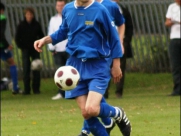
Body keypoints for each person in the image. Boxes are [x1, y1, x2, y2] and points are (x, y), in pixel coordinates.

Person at [34, 0, 131, 136]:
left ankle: (117, 113)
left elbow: (113, 38)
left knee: (91, 108)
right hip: (75, 66)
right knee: (86, 113)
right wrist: (46, 39)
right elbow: (63, 31)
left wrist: (116, 64)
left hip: (97, 64)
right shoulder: (68, 9)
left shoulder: (100, 10)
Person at [78, 0, 126, 135]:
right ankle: (105, 121)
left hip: (104, 54)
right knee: (88, 90)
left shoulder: (110, 5)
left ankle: (87, 129)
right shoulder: (80, 6)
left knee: (92, 90)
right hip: (86, 55)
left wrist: (120, 40)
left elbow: (121, 23)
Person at [105, 0, 134, 98]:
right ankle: (104, 92)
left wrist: (124, 41)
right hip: (106, 43)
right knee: (105, 67)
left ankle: (119, 92)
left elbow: (128, 26)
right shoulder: (101, 6)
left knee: (120, 67)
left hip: (119, 42)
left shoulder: (122, 9)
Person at [15, 7, 44, 95]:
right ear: (25, 15)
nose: (29, 16)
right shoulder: (21, 25)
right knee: (26, 69)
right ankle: (27, 90)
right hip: (25, 50)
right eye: (27, 14)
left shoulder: (36, 24)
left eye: (31, 14)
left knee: (36, 68)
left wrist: (39, 44)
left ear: (33, 15)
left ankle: (36, 89)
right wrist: (22, 46)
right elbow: (17, 38)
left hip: (35, 49)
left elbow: (41, 36)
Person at [48, 0, 69, 100]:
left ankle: (71, 93)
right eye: (58, 5)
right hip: (58, 50)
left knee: (71, 71)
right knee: (60, 72)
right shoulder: (53, 19)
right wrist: (52, 49)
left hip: (69, 50)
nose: (60, 7)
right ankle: (61, 93)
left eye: (62, 5)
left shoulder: (70, 17)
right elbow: (51, 33)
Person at [0, 2, 21, 95]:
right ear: (2, 10)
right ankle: (15, 87)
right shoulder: (2, 18)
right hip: (1, 46)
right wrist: (7, 45)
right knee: (12, 63)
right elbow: (1, 33)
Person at [165, 0, 181, 96]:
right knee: (176, 65)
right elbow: (167, 22)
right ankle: (177, 89)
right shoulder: (172, 7)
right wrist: (170, 23)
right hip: (174, 38)